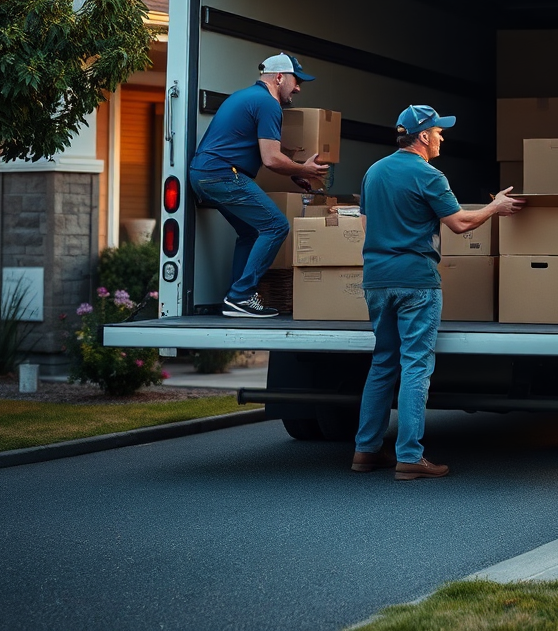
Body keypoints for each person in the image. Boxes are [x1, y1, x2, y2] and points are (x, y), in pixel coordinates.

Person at [351, 104, 523, 480]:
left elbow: (365, 226)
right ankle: (410, 456)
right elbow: (460, 223)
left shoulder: (373, 172)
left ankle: (365, 451)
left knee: (383, 362)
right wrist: (495, 206)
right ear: (423, 136)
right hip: (416, 281)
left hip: (377, 279)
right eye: (439, 132)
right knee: (415, 365)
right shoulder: (428, 175)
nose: (442, 137)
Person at [190, 53, 329, 319]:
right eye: (296, 80)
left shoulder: (246, 97)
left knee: (251, 231)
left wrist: (293, 172)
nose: (298, 88)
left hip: (204, 173)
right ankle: (241, 296)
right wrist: (305, 169)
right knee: (276, 226)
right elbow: (271, 159)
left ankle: (237, 297)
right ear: (279, 77)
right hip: (221, 174)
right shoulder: (268, 104)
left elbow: (261, 149)